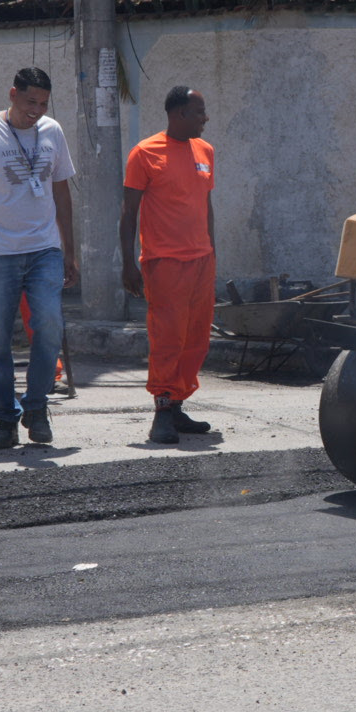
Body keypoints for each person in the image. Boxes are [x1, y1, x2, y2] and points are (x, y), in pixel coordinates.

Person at [0, 68, 78, 449]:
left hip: (43, 250)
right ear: (12, 94)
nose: (36, 110)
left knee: (50, 328)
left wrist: (68, 252)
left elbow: (62, 195)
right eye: (30, 102)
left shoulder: (52, 131)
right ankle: (5, 418)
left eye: (43, 103)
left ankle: (36, 408)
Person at [121, 86, 217, 444]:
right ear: (178, 114)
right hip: (164, 263)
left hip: (201, 260)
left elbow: (206, 206)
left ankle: (177, 405)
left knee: (197, 338)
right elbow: (128, 213)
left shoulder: (205, 150)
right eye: (199, 112)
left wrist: (212, 251)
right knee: (168, 338)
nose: (205, 118)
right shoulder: (144, 153)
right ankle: (161, 409)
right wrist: (128, 264)